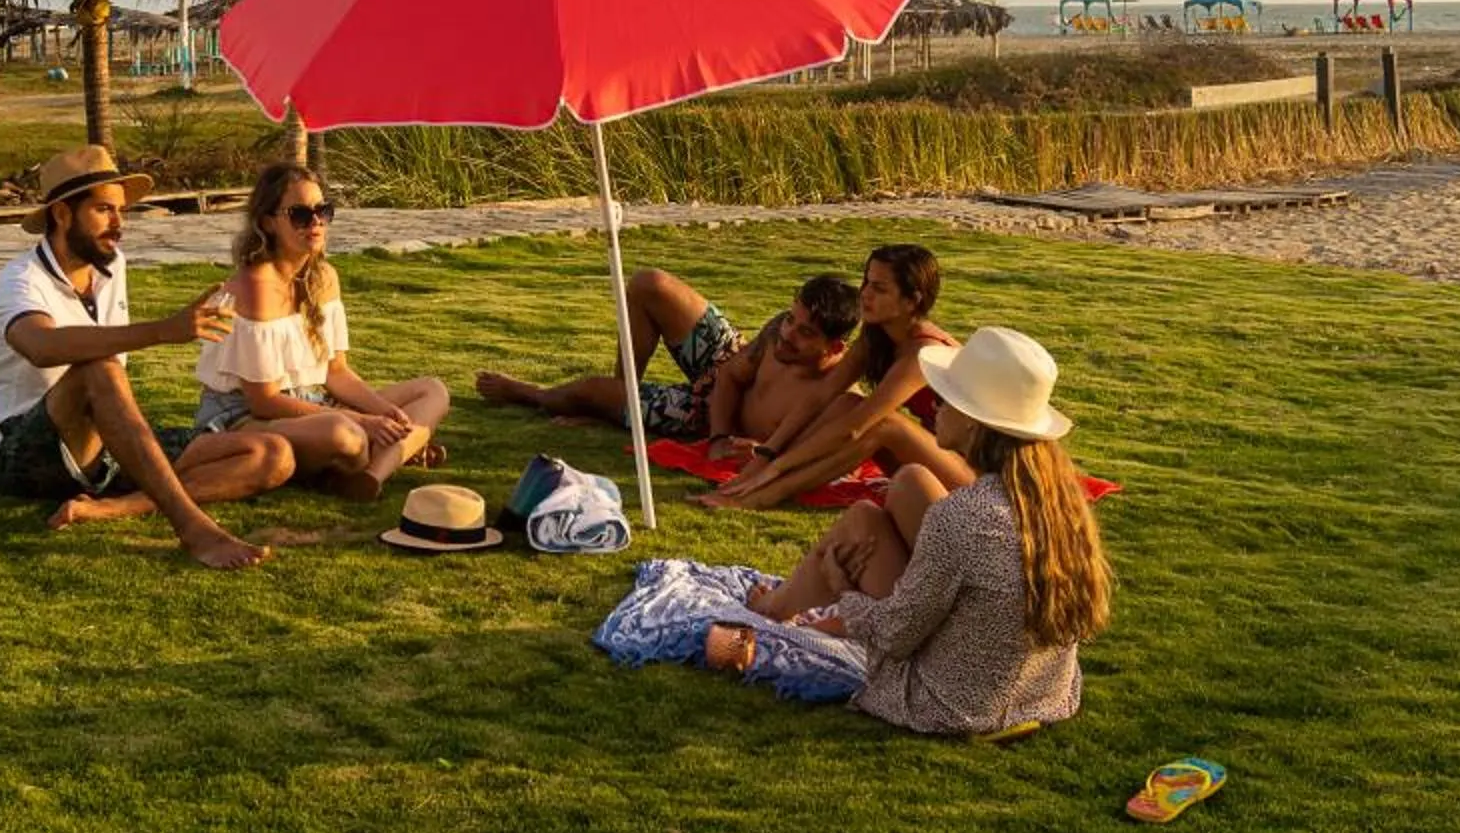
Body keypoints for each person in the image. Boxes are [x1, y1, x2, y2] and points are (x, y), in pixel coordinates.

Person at [735, 327, 1110, 736]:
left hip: (950, 704)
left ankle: (773, 612)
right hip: (1042, 695)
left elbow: (897, 635)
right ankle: (785, 610)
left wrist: (844, 591)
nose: (934, 406)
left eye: (945, 398)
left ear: (974, 422)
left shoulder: (963, 516)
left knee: (862, 523)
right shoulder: (1058, 504)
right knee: (908, 482)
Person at [0, 146, 290, 570]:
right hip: (21, 452)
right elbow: (40, 346)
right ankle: (194, 528)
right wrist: (164, 331)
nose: (118, 224)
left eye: (121, 211)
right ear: (63, 214)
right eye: (104, 210)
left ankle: (115, 507)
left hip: (104, 444)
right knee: (100, 368)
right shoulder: (19, 282)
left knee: (272, 454)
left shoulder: (111, 266)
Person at [191, 164, 452, 502]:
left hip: (311, 403)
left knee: (432, 391)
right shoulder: (257, 286)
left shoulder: (324, 277)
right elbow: (264, 401)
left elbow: (336, 372)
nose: (315, 222)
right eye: (300, 215)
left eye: (323, 211)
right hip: (244, 416)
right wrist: (363, 421)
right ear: (268, 223)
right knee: (346, 434)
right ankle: (389, 452)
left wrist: (383, 412)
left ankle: (370, 475)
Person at [474, 269, 861, 456]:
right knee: (650, 284)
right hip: (725, 372)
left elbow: (806, 458)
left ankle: (532, 394)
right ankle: (623, 400)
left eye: (805, 333)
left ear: (835, 348)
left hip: (701, 415)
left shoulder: (835, 399)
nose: (789, 334)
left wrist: (740, 443)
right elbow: (730, 374)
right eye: (791, 319)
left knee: (588, 392)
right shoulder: (778, 332)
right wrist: (719, 441)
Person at [695, 244, 956, 509]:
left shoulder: (924, 352)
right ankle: (760, 484)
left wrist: (777, 466)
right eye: (866, 282)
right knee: (847, 403)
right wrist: (767, 453)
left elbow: (855, 428)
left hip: (971, 479)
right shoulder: (876, 336)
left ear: (912, 301)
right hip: (929, 459)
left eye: (879, 289)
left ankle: (764, 495)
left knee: (883, 424)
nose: (865, 294)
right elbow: (822, 395)